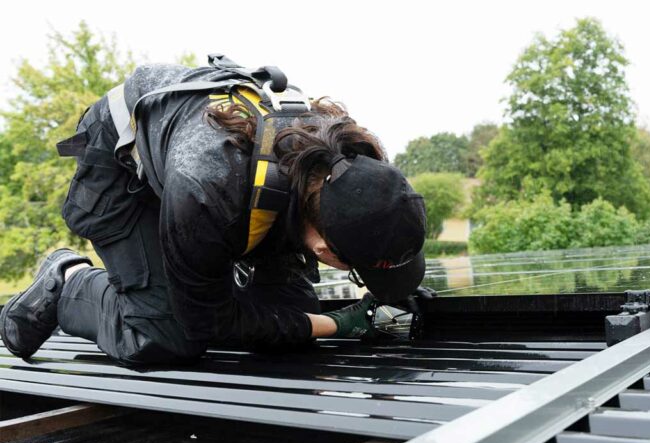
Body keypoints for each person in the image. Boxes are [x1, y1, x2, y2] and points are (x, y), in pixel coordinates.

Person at [0, 56, 427, 365]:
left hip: (224, 174)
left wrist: (395, 296)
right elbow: (208, 320)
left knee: (289, 326)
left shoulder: (350, 167)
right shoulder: (207, 190)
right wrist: (338, 324)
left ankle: (204, 273)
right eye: (353, 268)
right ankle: (67, 279)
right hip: (122, 161)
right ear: (320, 246)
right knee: (167, 337)